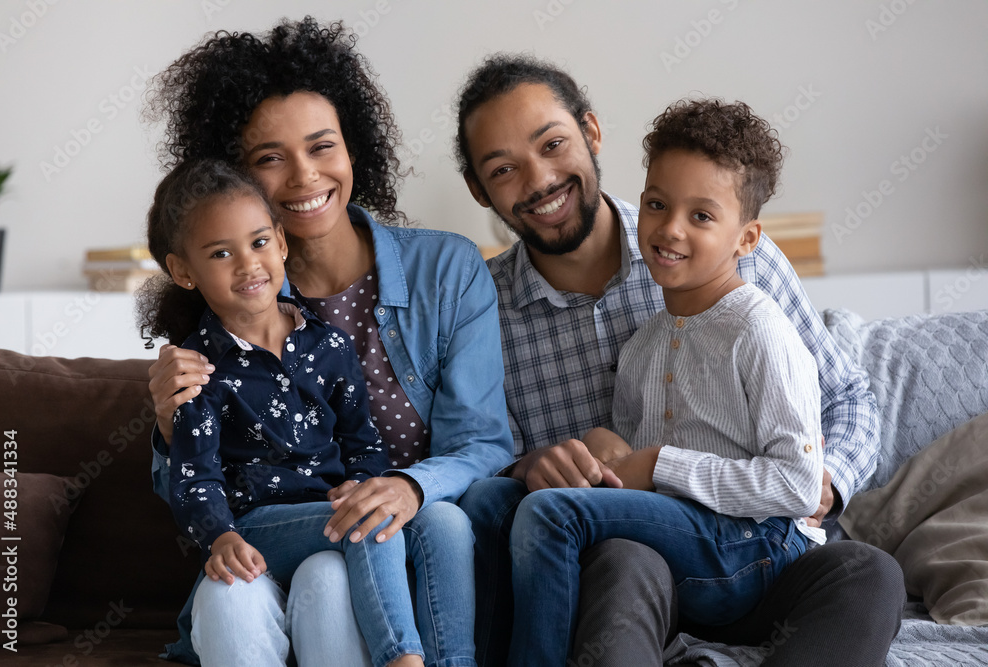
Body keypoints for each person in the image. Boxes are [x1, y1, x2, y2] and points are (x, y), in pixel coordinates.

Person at [454, 55, 905, 666]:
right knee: (622, 564)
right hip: (634, 560)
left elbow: (846, 400)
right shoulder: (477, 310)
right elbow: (475, 463)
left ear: (590, 134)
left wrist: (828, 482)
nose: (539, 179)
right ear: (480, 190)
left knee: (868, 572)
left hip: (767, 541)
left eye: (553, 144)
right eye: (504, 168)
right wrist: (531, 465)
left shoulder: (738, 263)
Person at [144, 18, 510, 667]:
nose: (305, 176)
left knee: (430, 526)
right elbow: (191, 480)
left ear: (354, 146)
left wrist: (405, 486)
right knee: (269, 583)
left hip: (392, 550)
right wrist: (168, 425)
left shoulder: (446, 271)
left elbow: (482, 443)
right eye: (269, 158)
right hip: (268, 553)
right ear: (235, 181)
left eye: (322, 146)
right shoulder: (225, 300)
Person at [504, 98, 834, 663]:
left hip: (761, 542)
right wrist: (608, 452)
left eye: (701, 216)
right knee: (595, 546)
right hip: (685, 549)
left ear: (747, 239)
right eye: (656, 204)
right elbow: (635, 486)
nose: (669, 228)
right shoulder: (643, 346)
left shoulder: (760, 330)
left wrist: (658, 464)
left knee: (549, 511)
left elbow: (799, 487)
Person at [139, 158, 430, 666]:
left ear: (281, 240)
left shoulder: (329, 346)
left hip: (324, 530)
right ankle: (403, 658)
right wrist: (221, 534)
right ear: (184, 271)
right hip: (253, 528)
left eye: (257, 243)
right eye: (220, 253)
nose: (248, 265)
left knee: (368, 509)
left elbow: (364, 444)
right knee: (365, 517)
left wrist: (362, 481)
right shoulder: (198, 370)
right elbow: (193, 479)